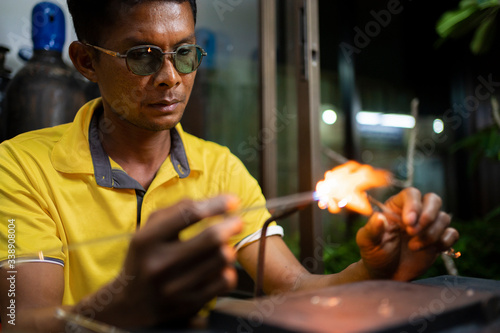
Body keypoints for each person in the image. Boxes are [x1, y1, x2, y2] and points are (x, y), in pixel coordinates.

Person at [0, 0, 459, 331]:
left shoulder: (220, 169)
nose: (170, 77)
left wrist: (377, 269)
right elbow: (20, 321)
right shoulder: (20, 167)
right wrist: (121, 307)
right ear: (86, 61)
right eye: (142, 55)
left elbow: (294, 287)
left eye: (184, 52)